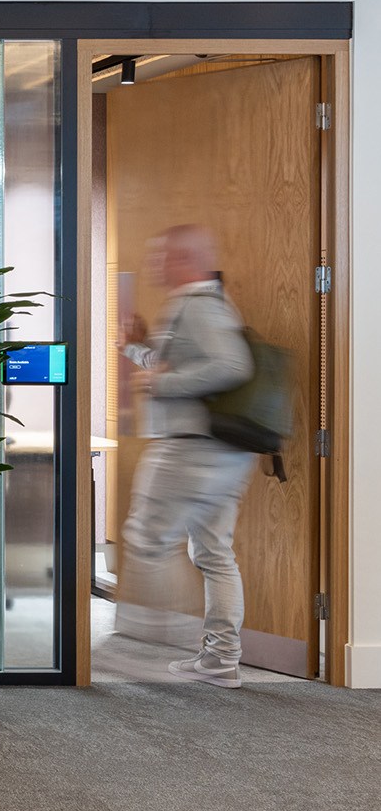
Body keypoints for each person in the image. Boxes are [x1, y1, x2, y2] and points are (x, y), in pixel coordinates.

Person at [120, 224, 257, 688]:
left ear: (185, 259)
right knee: (214, 552)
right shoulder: (210, 303)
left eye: (163, 256)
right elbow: (178, 364)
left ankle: (151, 640)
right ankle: (221, 661)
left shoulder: (197, 304)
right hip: (225, 453)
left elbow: (232, 365)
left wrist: (163, 384)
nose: (156, 264)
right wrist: (135, 349)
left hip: (194, 450)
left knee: (145, 540)